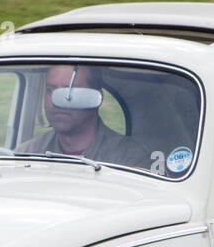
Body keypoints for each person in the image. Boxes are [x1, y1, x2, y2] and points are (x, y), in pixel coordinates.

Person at [17, 64, 150, 170]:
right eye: (50, 90)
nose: (55, 101)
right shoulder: (26, 154)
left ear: (97, 98)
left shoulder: (129, 159)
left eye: (70, 92)